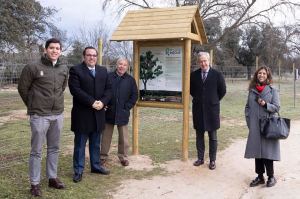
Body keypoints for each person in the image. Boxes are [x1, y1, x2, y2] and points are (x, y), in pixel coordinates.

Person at [18, 38, 69, 197]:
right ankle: (34, 183)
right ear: (45, 49)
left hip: (57, 114)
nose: (55, 51)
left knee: (54, 148)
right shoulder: (32, 67)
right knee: (36, 151)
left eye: (57, 48)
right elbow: (23, 88)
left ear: (60, 51)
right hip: (39, 115)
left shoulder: (63, 68)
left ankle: (52, 178)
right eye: (51, 48)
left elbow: (62, 87)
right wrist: (33, 105)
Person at [68, 46, 112, 183]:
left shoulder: (103, 71)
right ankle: (78, 170)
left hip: (98, 114)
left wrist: (103, 102)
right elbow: (75, 90)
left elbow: (109, 89)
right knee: (80, 144)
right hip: (82, 114)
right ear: (84, 56)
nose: (92, 57)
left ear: (97, 57)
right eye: (89, 55)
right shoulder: (76, 70)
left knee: (95, 143)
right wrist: (92, 102)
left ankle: (96, 166)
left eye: (94, 55)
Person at [190, 51, 226, 170]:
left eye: (205, 61)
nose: (203, 63)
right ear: (198, 63)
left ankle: (212, 160)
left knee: (213, 136)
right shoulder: (194, 75)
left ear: (209, 61)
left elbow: (222, 91)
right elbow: (191, 90)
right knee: (199, 136)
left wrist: (213, 100)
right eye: (201, 61)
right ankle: (200, 158)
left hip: (212, 110)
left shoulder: (217, 75)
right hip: (198, 110)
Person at [244, 66, 280, 187]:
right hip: (254, 125)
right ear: (256, 75)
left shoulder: (272, 90)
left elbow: (276, 107)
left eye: (264, 73)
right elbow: (247, 107)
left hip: (267, 126)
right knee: (257, 152)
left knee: (267, 152)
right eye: (260, 73)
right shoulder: (252, 90)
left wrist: (265, 105)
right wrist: (249, 121)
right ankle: (260, 177)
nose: (262, 75)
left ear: (268, 76)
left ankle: (271, 177)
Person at [100, 58, 138, 166]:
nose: (122, 66)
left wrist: (127, 107)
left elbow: (134, 95)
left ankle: (123, 157)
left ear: (127, 67)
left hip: (123, 112)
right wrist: (104, 104)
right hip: (109, 111)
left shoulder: (130, 80)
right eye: (120, 64)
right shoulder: (109, 77)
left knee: (123, 137)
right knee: (106, 136)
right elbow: (102, 91)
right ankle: (103, 156)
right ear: (117, 65)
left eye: (125, 65)